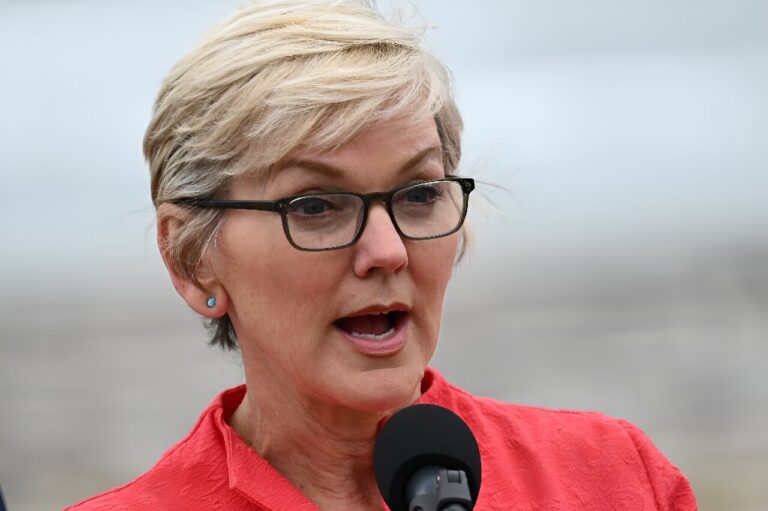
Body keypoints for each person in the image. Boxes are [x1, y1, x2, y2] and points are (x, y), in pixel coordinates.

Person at [66, 1, 696, 509]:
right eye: (316, 205)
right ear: (190, 259)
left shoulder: (615, 479)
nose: (387, 251)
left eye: (418, 195)